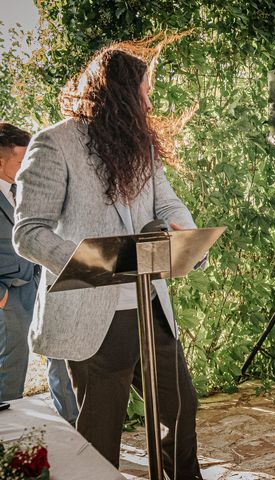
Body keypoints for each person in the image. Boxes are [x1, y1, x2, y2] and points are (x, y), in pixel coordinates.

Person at [13, 48, 202, 478]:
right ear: (119, 94)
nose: (150, 103)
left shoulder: (141, 148)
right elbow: (29, 232)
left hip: (149, 306)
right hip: (91, 313)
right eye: (144, 93)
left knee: (180, 409)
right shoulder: (53, 142)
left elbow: (169, 204)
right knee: (102, 429)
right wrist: (98, 261)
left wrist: (189, 242)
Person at [0, 122, 78, 425]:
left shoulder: (24, 190)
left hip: (39, 285)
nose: (26, 166)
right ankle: (10, 438)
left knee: (59, 352)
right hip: (8, 295)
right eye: (21, 160)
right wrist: (2, 298)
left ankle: (74, 428)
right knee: (12, 366)